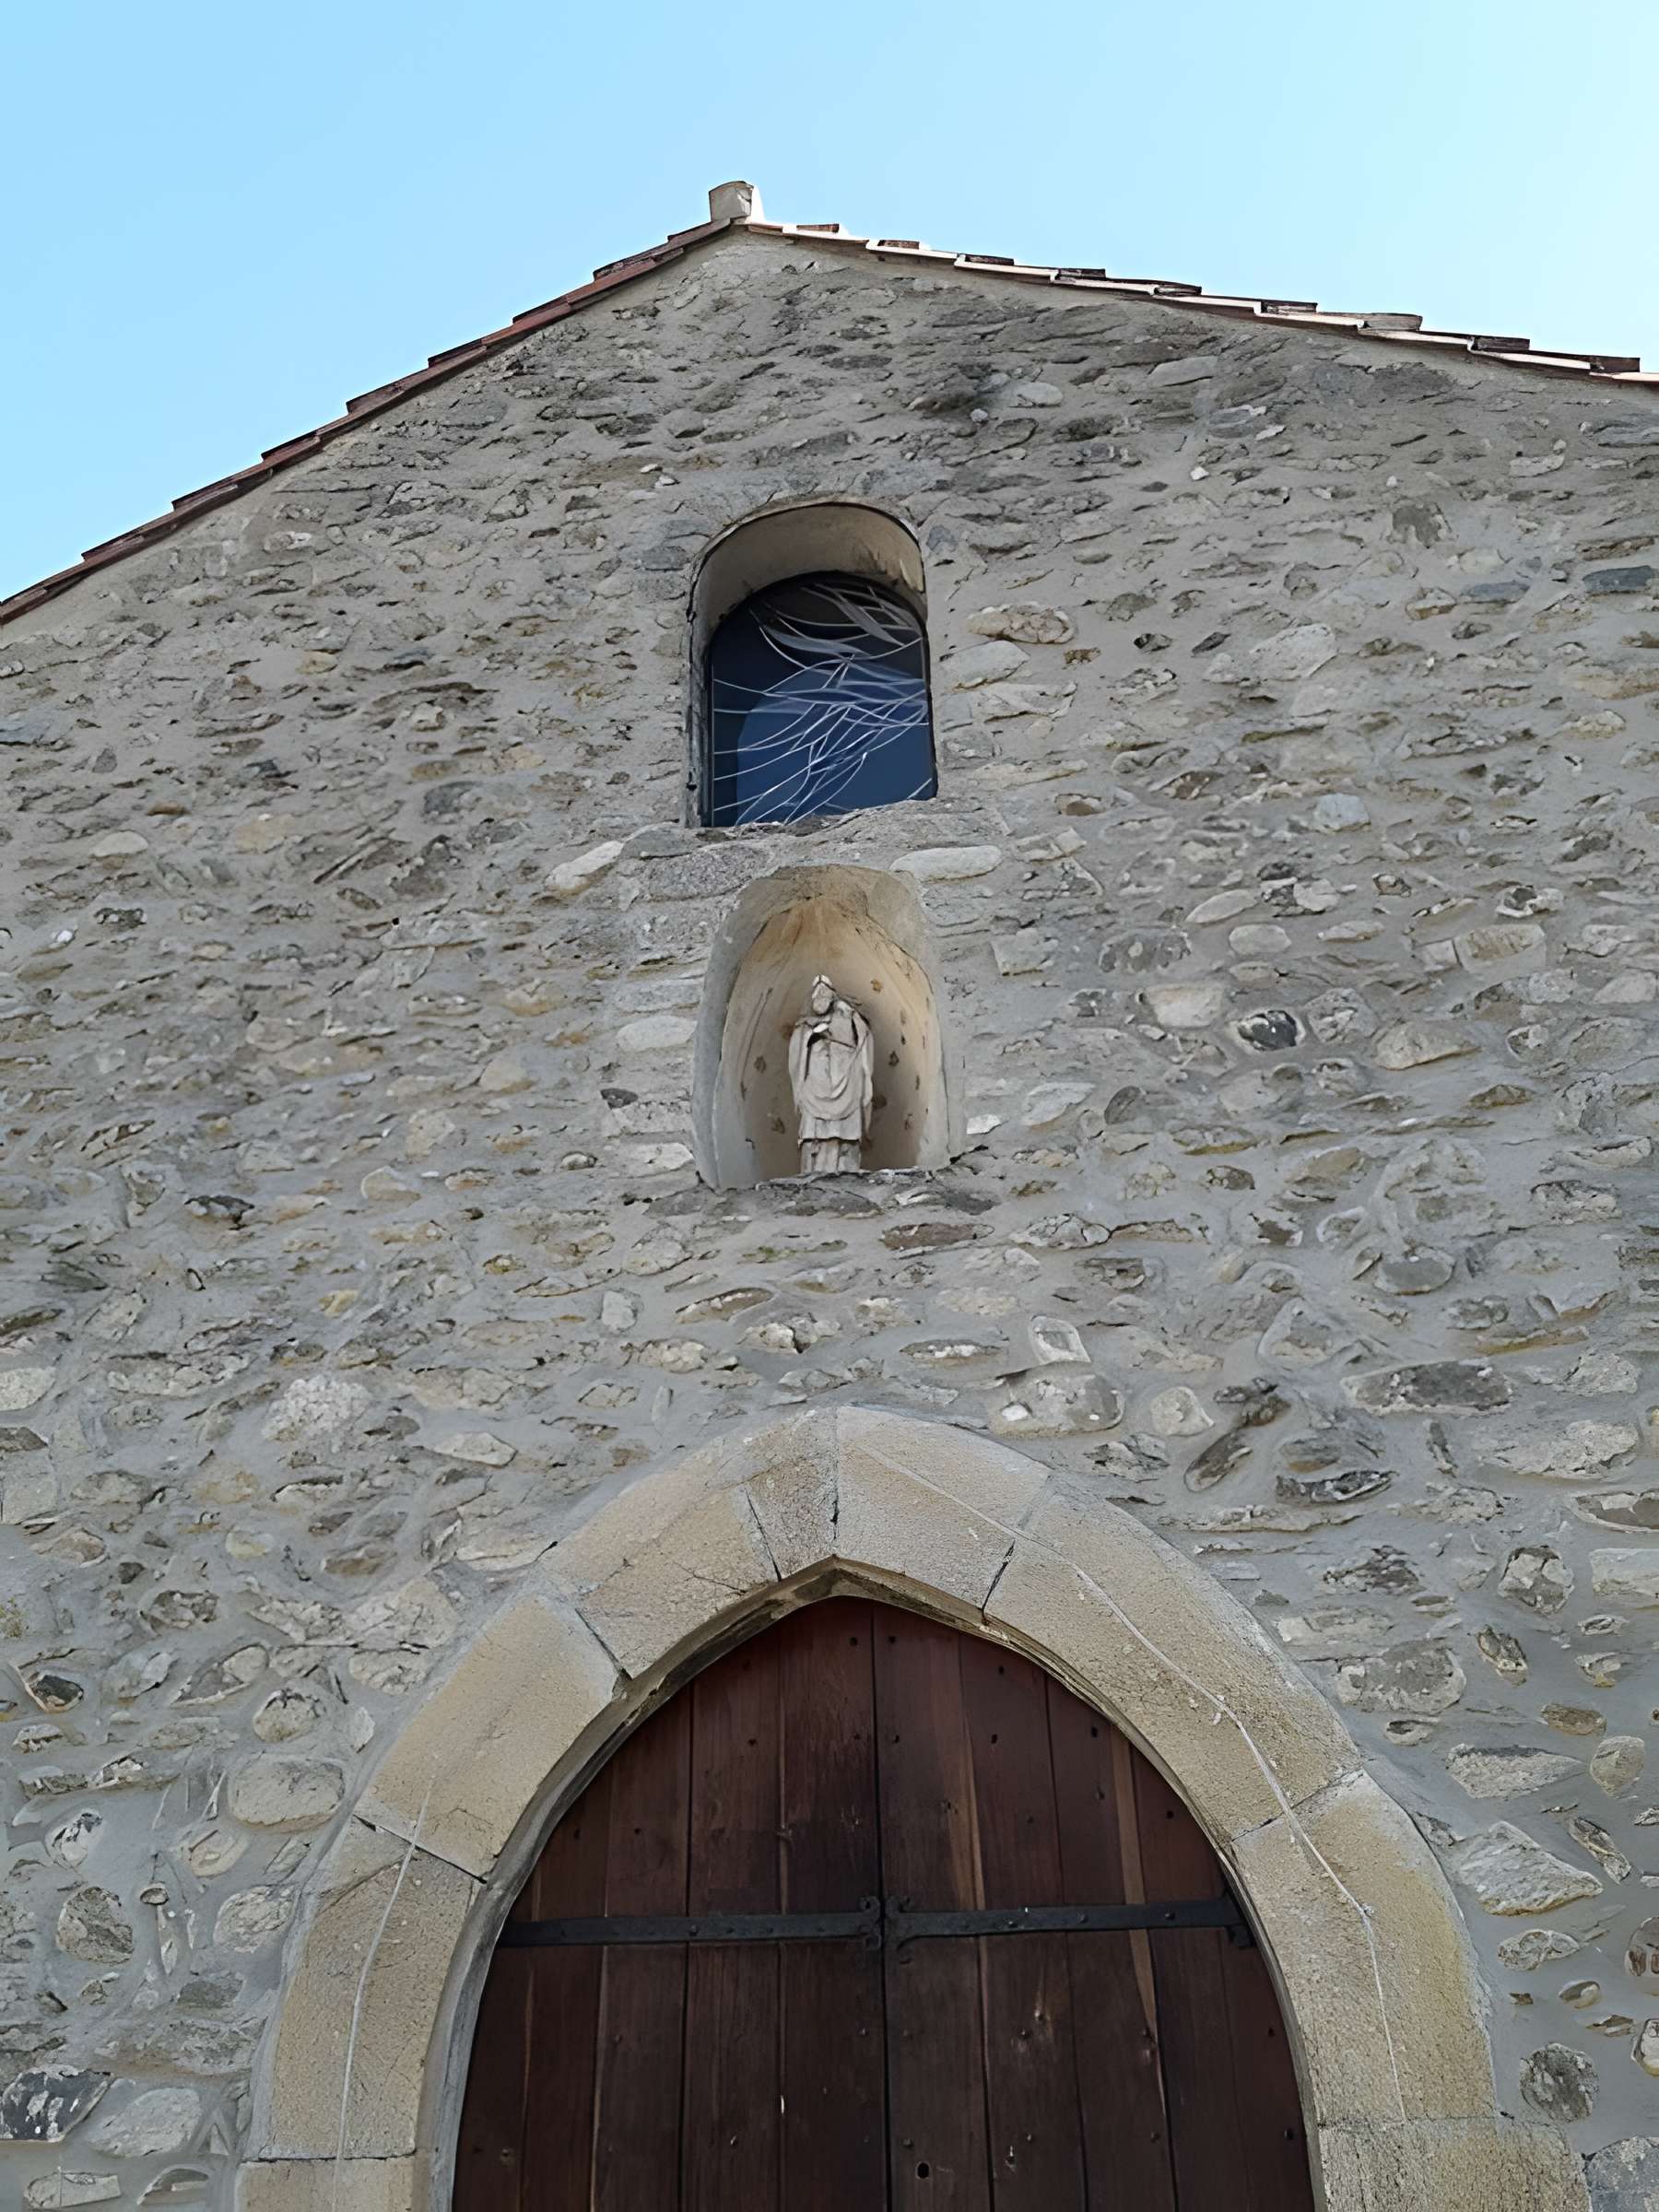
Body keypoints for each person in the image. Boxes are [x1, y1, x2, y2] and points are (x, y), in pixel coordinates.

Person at [787, 975, 873, 1174]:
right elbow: (796, 1056)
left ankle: (845, 1167)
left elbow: (863, 1040)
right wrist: (810, 1035)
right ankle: (814, 1168)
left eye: (825, 994)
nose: (821, 998)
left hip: (846, 1077)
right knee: (814, 1132)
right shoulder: (805, 1025)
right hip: (816, 1082)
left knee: (845, 1134)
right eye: (818, 995)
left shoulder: (848, 1015)